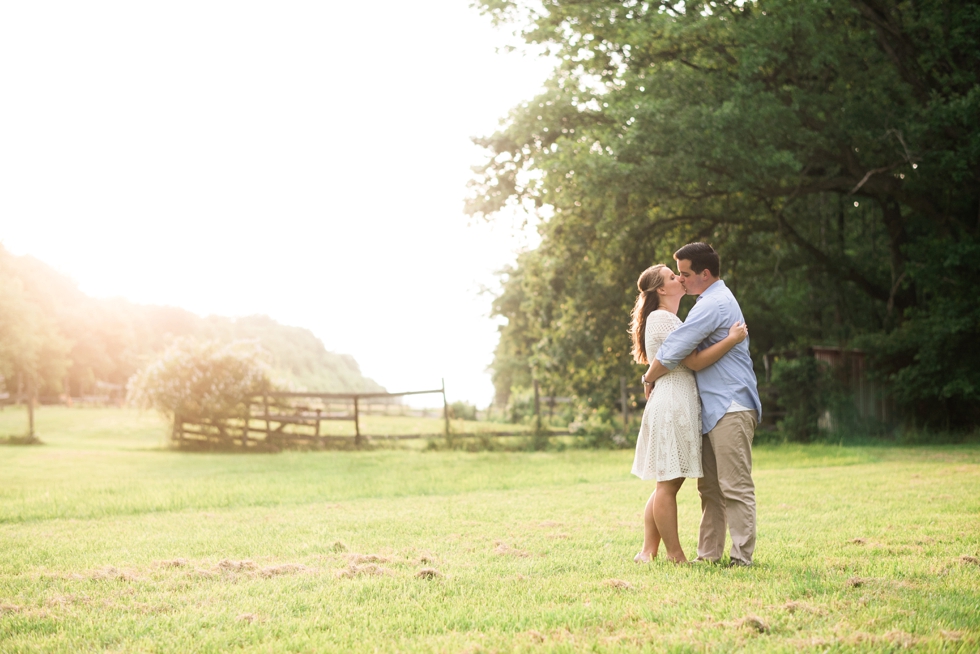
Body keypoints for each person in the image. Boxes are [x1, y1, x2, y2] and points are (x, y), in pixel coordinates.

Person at [641, 243, 762, 567]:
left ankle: (741, 558)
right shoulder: (701, 303)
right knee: (709, 489)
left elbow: (677, 352)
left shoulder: (713, 303)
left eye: (685, 274)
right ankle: (708, 556)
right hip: (712, 408)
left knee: (734, 487)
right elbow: (686, 356)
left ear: (704, 274)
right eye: (676, 275)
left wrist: (648, 377)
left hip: (731, 404)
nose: (681, 280)